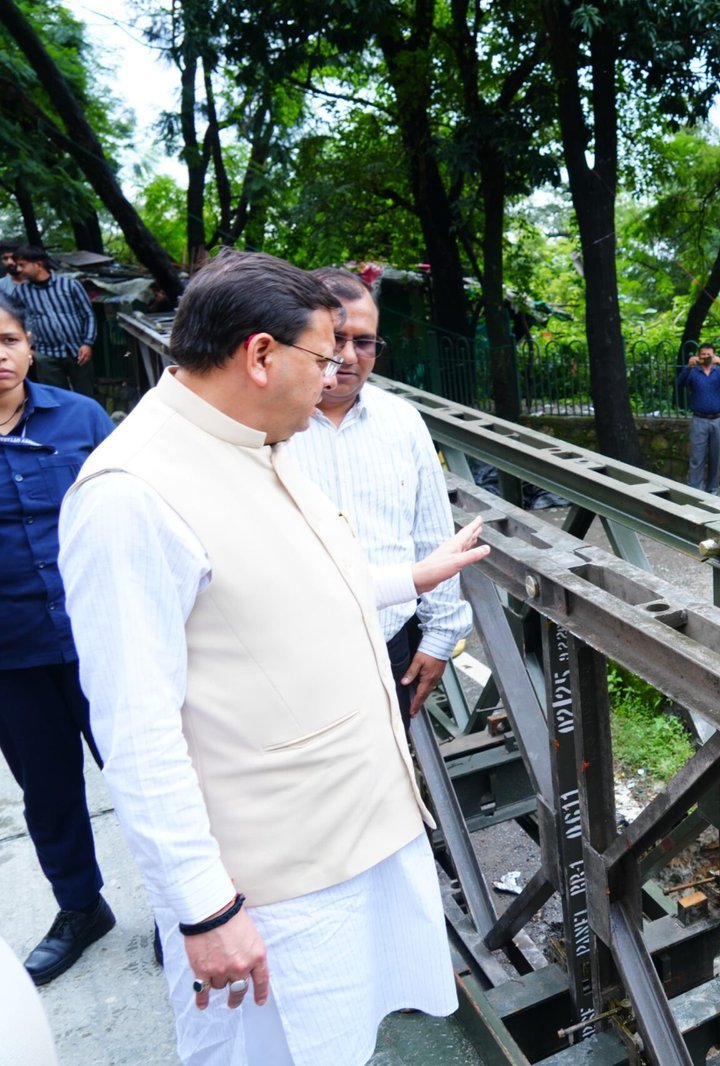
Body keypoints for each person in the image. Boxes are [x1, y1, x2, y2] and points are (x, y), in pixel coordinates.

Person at [57, 248, 490, 1065]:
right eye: (322, 359)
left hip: (345, 830)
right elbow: (136, 728)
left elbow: (288, 590)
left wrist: (411, 578)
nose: (334, 378)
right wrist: (204, 909)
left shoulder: (252, 441)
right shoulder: (130, 496)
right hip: (272, 879)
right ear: (260, 355)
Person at [283, 268, 472, 716]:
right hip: (292, 651)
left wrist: (440, 637)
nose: (349, 356)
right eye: (336, 338)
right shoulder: (272, 424)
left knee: (392, 756)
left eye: (365, 341)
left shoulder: (402, 421)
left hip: (390, 645)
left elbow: (433, 535)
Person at [0, 289, 117, 985]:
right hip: (10, 656)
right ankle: (81, 907)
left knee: (139, 775)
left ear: (30, 346)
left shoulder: (82, 418)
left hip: (102, 640)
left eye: (8, 340)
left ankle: (181, 908)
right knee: (47, 793)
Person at [12, 246, 96, 396]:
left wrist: (87, 343)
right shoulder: (21, 291)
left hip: (78, 351)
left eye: (22, 265)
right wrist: (29, 348)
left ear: (38, 264)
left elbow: (88, 314)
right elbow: (17, 322)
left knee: (85, 396)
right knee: (56, 398)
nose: (19, 270)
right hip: (46, 355)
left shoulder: (70, 284)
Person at [676, 342, 720, 495]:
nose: (706, 357)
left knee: (716, 457)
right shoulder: (693, 371)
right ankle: (695, 491)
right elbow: (679, 383)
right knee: (696, 457)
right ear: (698, 356)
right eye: (703, 354)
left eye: (708, 354)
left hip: (719, 419)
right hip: (699, 420)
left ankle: (712, 491)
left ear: (714, 355)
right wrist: (687, 366)